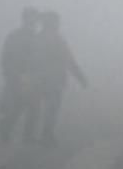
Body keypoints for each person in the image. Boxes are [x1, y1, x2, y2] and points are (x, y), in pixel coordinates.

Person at [32, 11, 87, 146]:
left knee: (37, 107)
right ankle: (46, 134)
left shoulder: (37, 39)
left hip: (39, 79)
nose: (58, 24)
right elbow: (69, 60)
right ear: (52, 23)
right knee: (51, 108)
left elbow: (28, 61)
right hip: (53, 80)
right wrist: (80, 77)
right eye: (56, 22)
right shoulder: (57, 39)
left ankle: (33, 134)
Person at [0, 7, 40, 143]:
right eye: (31, 18)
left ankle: (12, 130)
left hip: (29, 77)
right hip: (20, 76)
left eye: (35, 18)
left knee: (28, 106)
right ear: (25, 19)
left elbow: (39, 58)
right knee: (24, 106)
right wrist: (10, 75)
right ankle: (9, 129)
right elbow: (6, 57)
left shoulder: (33, 37)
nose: (33, 21)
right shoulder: (17, 36)